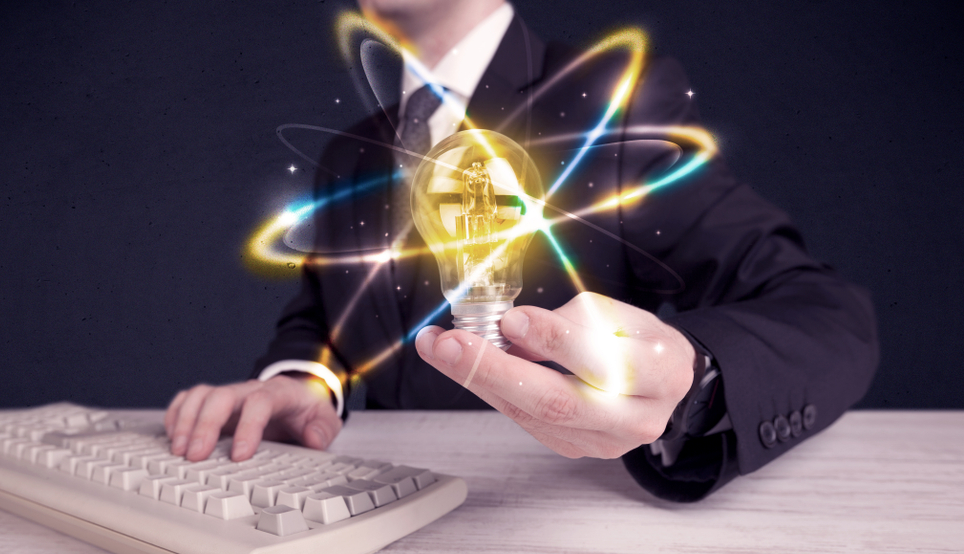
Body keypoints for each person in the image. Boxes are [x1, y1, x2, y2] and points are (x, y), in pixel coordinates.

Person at [165, 0, 879, 502]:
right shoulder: (352, 156)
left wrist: (689, 376)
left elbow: (825, 313)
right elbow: (324, 317)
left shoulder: (610, 103)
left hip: (553, 523)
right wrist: (301, 379)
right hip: (366, 512)